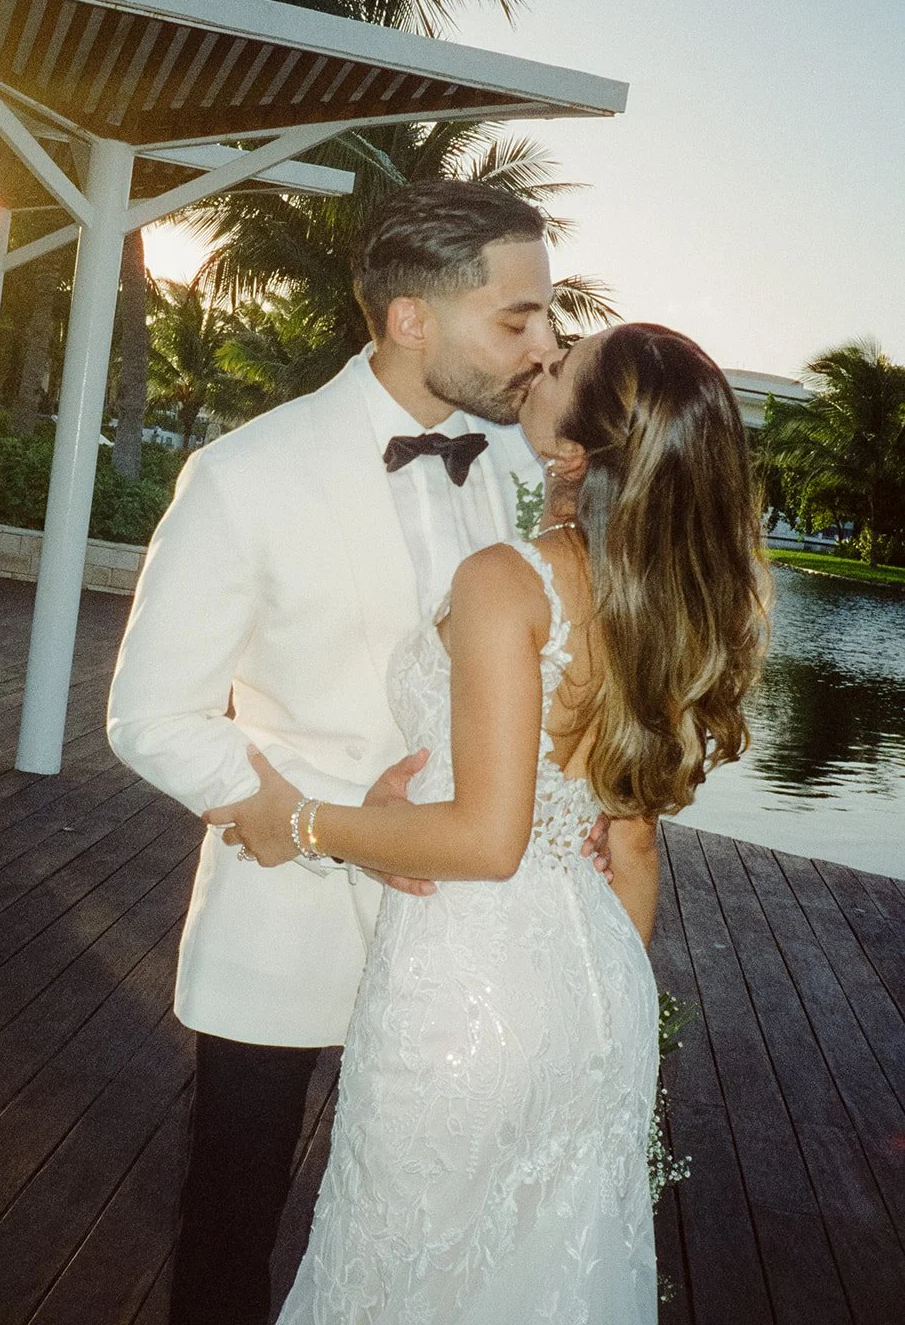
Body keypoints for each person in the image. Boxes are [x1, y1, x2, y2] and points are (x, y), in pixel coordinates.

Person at [105, 181, 613, 1325]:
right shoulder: (242, 475)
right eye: (517, 317)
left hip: (463, 941)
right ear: (409, 318)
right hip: (281, 915)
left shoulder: (507, 471)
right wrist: (344, 822)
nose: (544, 346)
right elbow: (150, 714)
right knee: (232, 1219)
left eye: (547, 320)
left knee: (429, 1220)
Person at [208, 321, 769, 1324]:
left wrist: (301, 823)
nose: (536, 361)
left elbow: (484, 840)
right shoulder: (667, 601)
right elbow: (629, 842)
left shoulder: (507, 580)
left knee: (393, 1281)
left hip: (465, 993)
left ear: (574, 449)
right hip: (599, 996)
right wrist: (582, 1016)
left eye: (561, 367)